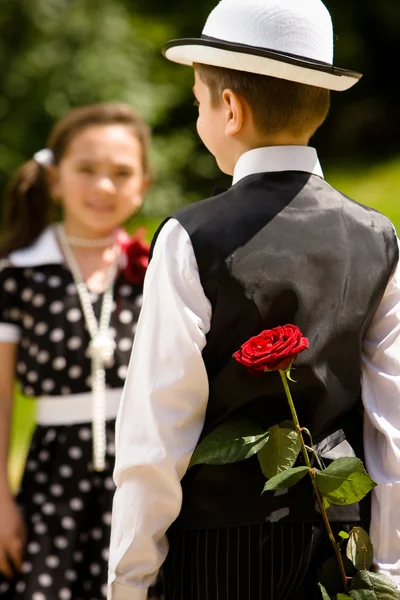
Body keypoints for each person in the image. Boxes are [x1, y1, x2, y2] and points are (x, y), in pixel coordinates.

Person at [108, 0, 400, 598]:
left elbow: (157, 434)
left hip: (217, 557)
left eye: (196, 103)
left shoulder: (190, 238)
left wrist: (129, 583)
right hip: (343, 551)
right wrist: (389, 572)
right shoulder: (379, 238)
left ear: (229, 108)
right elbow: (391, 426)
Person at [0, 102, 158, 599]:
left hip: (144, 477)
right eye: (86, 170)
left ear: (143, 185)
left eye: (121, 173)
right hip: (55, 480)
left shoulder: (157, 270)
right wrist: (0, 501)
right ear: (54, 178)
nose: (104, 187)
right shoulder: (19, 272)